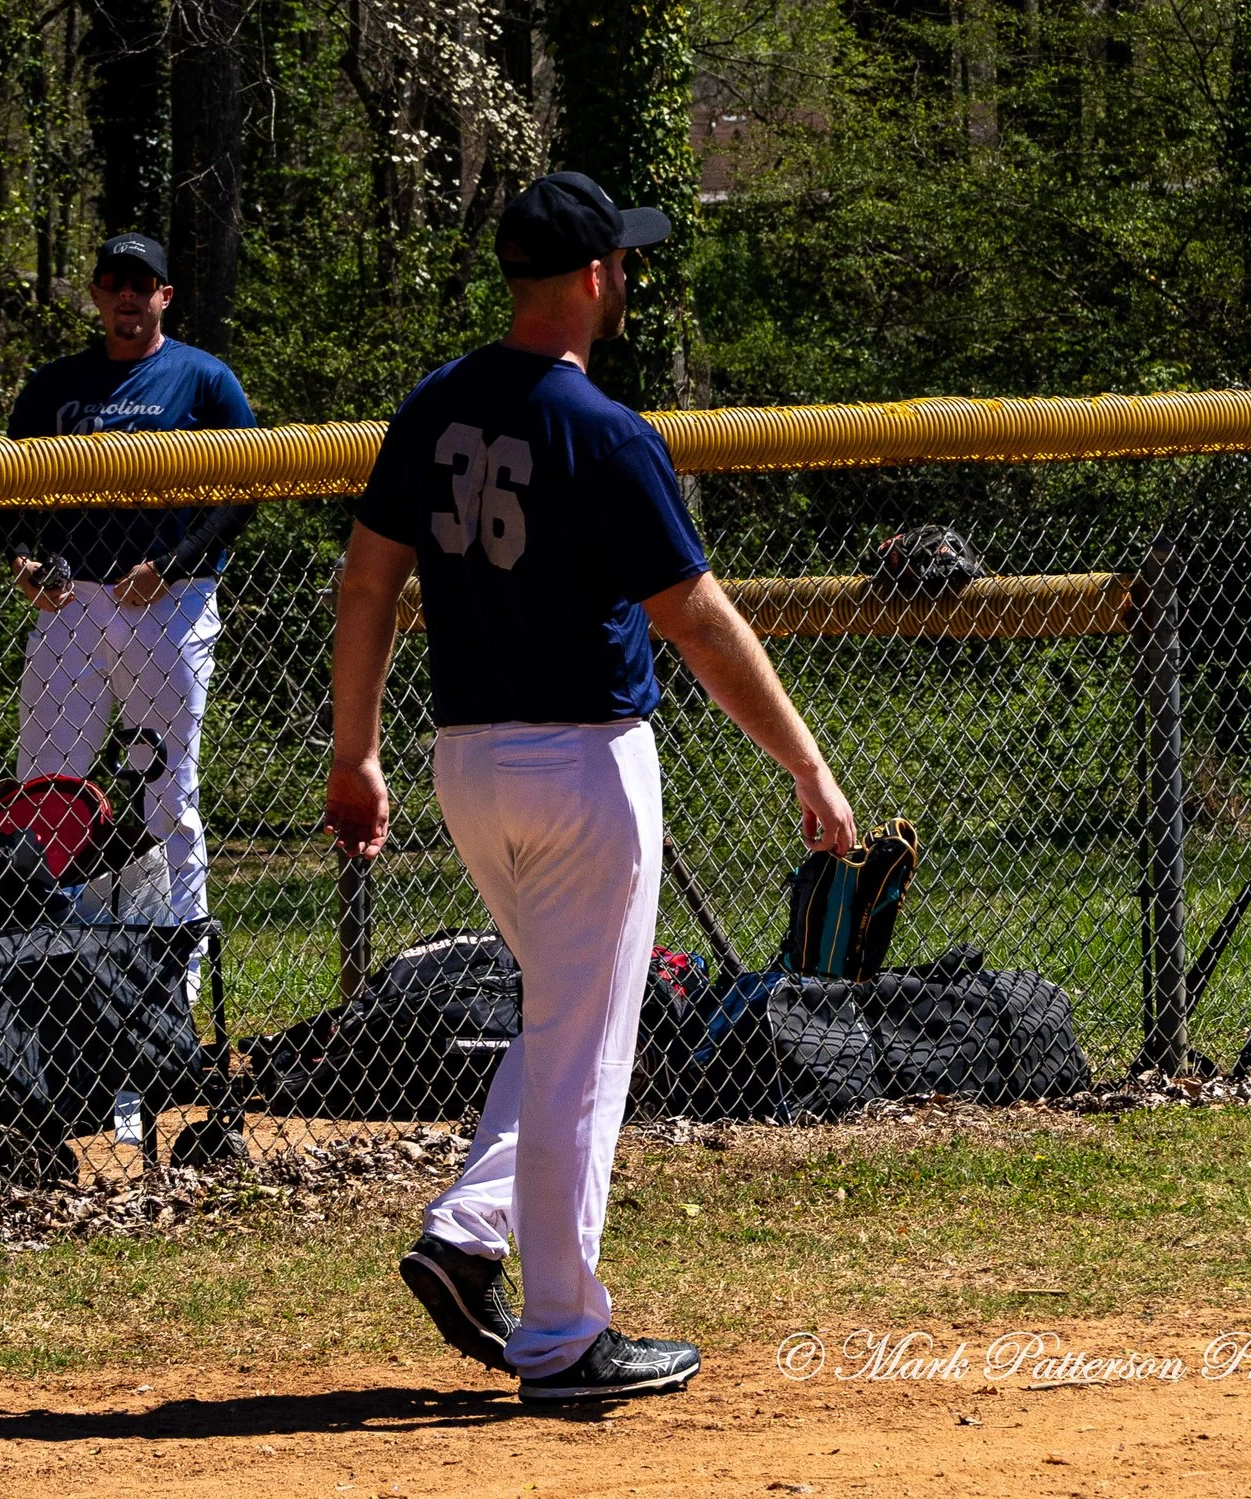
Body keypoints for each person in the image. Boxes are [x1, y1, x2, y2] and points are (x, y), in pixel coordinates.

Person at [326, 173, 858, 1403]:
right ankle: (563, 1336)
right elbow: (699, 619)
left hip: (465, 763)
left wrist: (356, 752)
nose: (624, 274)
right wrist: (806, 760)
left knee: (570, 1023)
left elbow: (364, 585)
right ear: (588, 278)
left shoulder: (432, 408)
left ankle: (468, 1235)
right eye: (617, 259)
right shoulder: (607, 432)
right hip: (582, 766)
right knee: (581, 1050)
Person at [0, 233, 256, 927]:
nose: (128, 296)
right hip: (70, 600)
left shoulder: (203, 380)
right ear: (97, 294)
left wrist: (170, 567)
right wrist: (23, 558)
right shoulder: (54, 386)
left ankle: (179, 960)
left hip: (168, 602)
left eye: (143, 284)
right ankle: (40, 954)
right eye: (115, 282)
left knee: (165, 791)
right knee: (47, 787)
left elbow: (244, 491)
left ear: (165, 296)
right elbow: (7, 488)